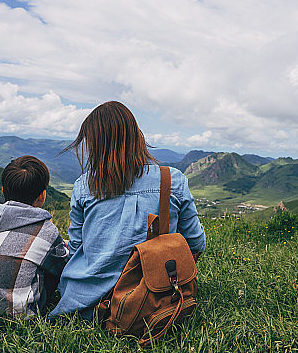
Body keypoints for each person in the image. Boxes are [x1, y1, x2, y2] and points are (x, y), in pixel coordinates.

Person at [49, 101, 206, 319]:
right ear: (136, 136)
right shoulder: (172, 180)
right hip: (152, 300)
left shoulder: (83, 186)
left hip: (84, 306)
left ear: (95, 144)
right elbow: (196, 243)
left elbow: (76, 248)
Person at [0, 155, 69, 318]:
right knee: (51, 267)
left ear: (3, 190)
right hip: (16, 319)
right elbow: (62, 267)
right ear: (42, 196)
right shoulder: (46, 230)